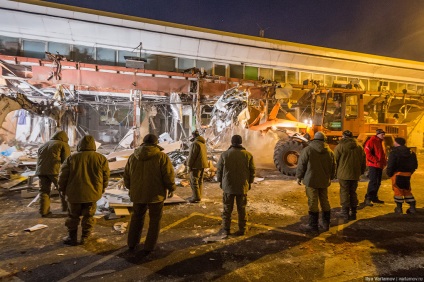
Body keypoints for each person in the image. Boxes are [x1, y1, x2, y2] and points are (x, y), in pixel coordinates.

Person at [124, 134, 176, 253]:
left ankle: (132, 243)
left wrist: (132, 188)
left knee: (136, 218)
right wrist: (171, 188)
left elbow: (126, 177)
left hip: (137, 195)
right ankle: (149, 246)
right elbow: (168, 175)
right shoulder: (161, 157)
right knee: (155, 220)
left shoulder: (133, 157)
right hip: (155, 195)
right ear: (156, 143)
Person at [58, 135, 110, 245]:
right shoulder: (101, 158)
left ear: (79, 145)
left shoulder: (71, 158)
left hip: (74, 194)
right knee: (89, 216)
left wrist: (62, 190)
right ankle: (85, 237)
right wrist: (102, 189)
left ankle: (72, 238)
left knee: (73, 216)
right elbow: (106, 177)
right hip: (92, 194)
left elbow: (63, 177)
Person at [296, 131, 336, 234]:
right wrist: (331, 177)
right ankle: (326, 224)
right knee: (324, 201)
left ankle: (313, 226)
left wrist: (299, 177)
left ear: (315, 139)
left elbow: (301, 165)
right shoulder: (329, 151)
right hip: (324, 181)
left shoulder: (308, 150)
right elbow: (333, 166)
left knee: (313, 202)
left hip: (311, 180)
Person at [216, 135, 255, 236]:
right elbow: (252, 171)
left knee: (227, 209)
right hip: (242, 187)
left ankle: (226, 229)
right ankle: (242, 229)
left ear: (232, 142)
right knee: (241, 209)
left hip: (228, 186)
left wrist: (220, 182)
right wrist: (249, 183)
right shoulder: (248, 155)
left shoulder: (225, 155)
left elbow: (219, 171)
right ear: (241, 142)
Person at [35, 130, 70, 217]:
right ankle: (67, 209)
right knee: (64, 189)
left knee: (44, 191)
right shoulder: (63, 144)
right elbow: (66, 160)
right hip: (54, 171)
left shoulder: (44, 144)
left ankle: (44, 211)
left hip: (41, 171)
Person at [334, 130, 366, 222]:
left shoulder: (340, 147)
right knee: (353, 192)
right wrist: (361, 171)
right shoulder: (359, 147)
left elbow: (335, 161)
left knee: (344, 192)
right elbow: (363, 161)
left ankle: (345, 213)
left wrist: (334, 173)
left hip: (343, 174)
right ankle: (354, 213)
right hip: (355, 174)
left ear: (343, 136)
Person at [386, 137, 418, 214]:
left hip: (397, 174)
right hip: (407, 174)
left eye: (394, 142)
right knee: (407, 190)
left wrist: (389, 173)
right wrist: (410, 172)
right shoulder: (411, 152)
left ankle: (399, 208)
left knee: (398, 191)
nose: (393, 143)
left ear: (397, 143)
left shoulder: (394, 152)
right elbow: (415, 165)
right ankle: (412, 207)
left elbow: (391, 164)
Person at [364, 128, 387, 206]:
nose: (383, 136)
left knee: (378, 182)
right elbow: (367, 153)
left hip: (379, 165)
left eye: (384, 134)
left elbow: (382, 154)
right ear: (378, 134)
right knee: (373, 182)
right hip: (373, 165)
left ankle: (374, 197)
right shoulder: (372, 141)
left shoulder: (381, 142)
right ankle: (368, 198)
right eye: (382, 134)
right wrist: (376, 160)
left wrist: (384, 163)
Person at [186, 130, 208, 203]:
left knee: (194, 180)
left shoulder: (195, 143)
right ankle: (198, 195)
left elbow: (192, 156)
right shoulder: (202, 143)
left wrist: (189, 165)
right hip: (202, 164)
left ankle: (196, 197)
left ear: (193, 135)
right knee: (199, 181)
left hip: (196, 165)